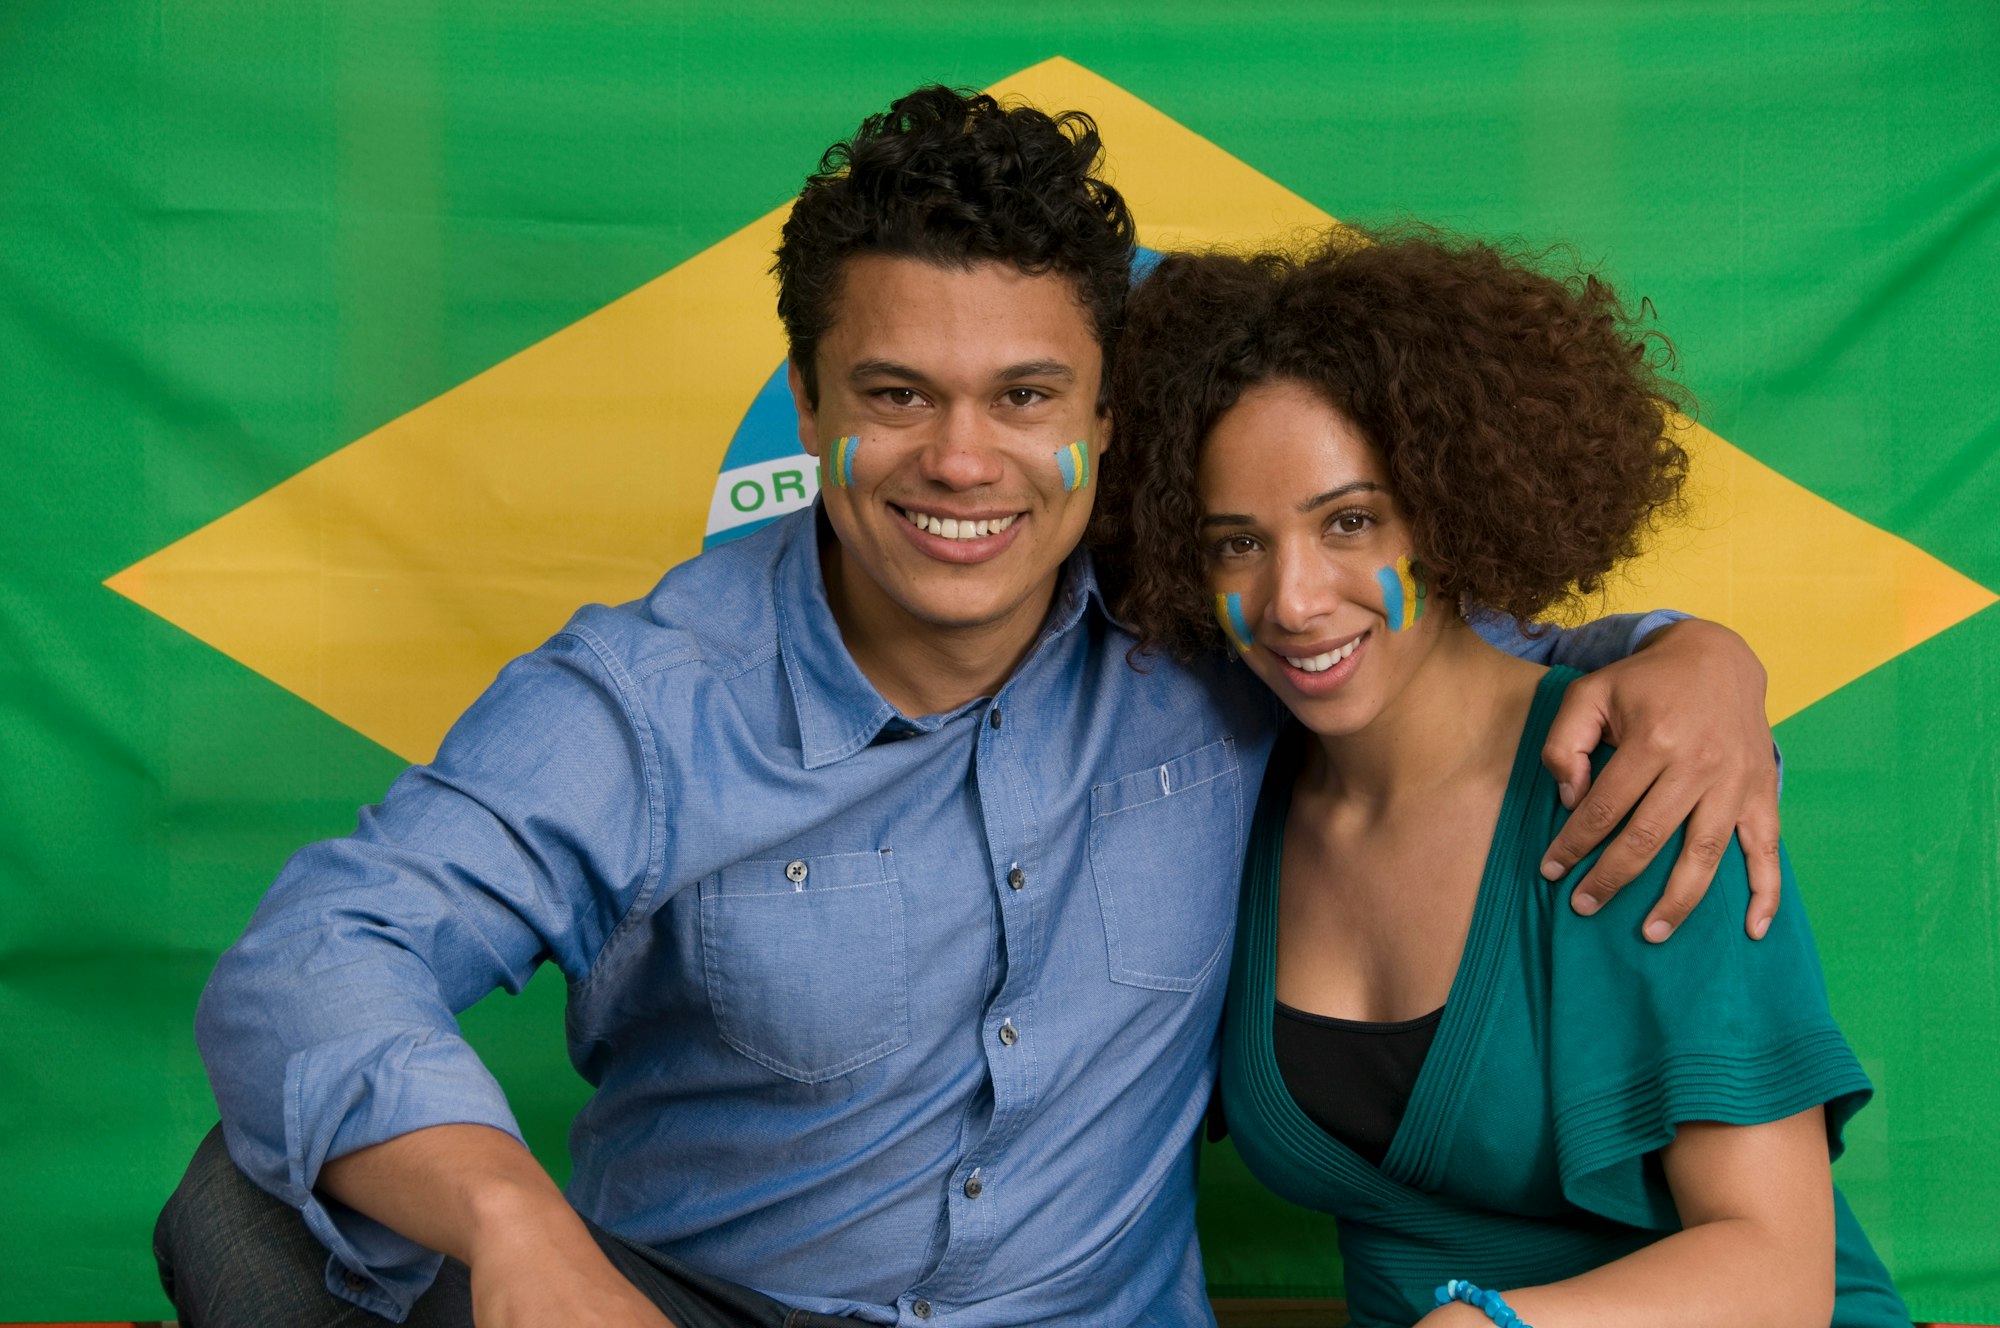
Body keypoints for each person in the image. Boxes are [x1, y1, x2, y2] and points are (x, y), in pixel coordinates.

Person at [154, 90, 1782, 1328]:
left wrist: (1698, 652)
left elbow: (1455, 639)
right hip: (701, 1297)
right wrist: (512, 1221)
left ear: (1101, 413)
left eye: (1024, 398)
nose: (961, 461)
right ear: (809, 405)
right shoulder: (651, 695)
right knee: (242, 1207)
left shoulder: (1210, 618)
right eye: (895, 396)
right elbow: (322, 952)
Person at [1102, 226, 1909, 1328]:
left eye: (1349, 521)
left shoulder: (1646, 784)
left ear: (1453, 506)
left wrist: (1484, 1322)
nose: (1291, 598)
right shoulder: (1235, 797)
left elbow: (1774, 1272)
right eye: (1235, 542)